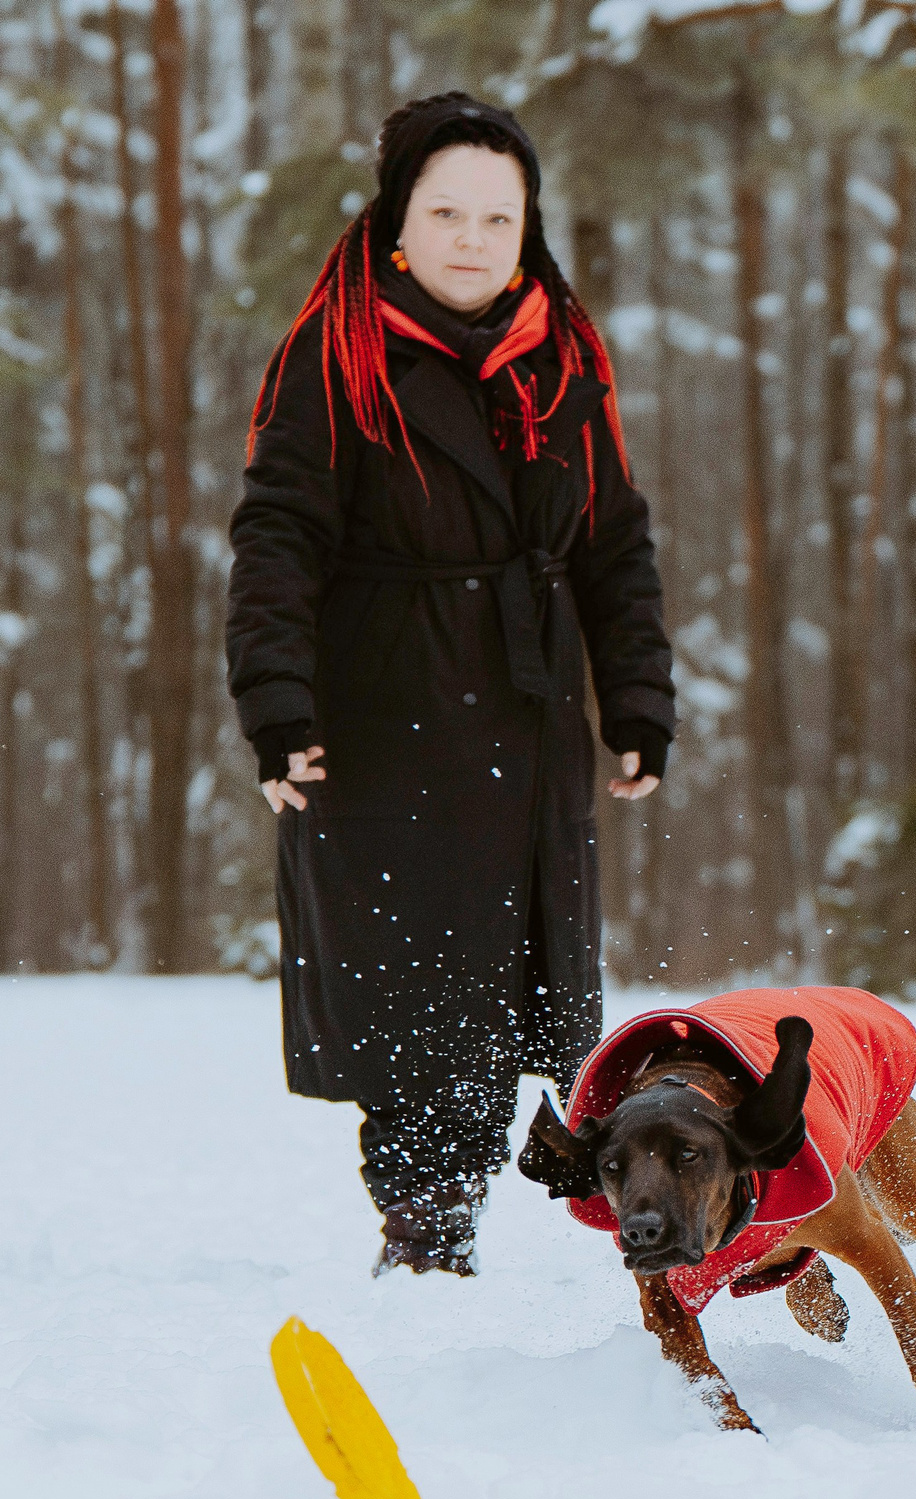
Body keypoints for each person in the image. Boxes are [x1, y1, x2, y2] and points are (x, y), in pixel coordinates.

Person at [225, 93, 676, 1276]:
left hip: (527, 712)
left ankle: (476, 1195)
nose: (473, 238)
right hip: (384, 701)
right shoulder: (337, 353)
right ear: (396, 223)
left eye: (499, 215)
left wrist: (635, 703)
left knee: (509, 972)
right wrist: (278, 710)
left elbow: (612, 542)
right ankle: (425, 1218)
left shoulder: (566, 356)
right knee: (411, 973)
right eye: (446, 212)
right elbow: (276, 539)